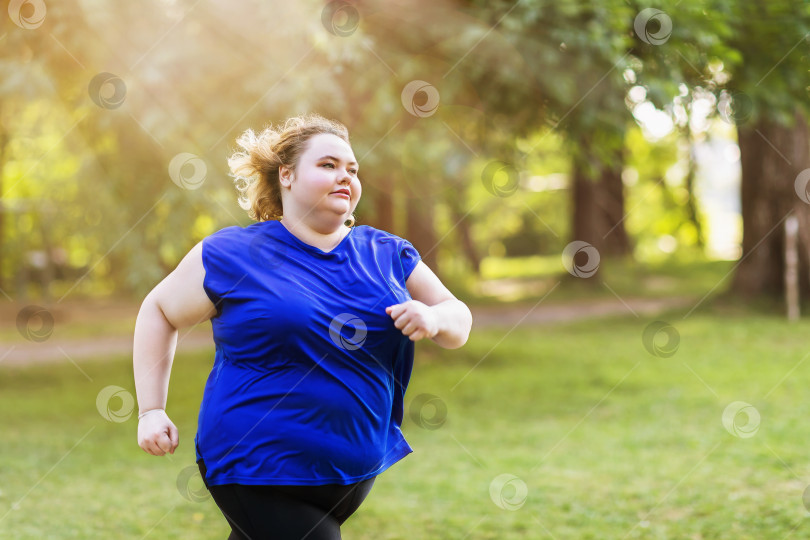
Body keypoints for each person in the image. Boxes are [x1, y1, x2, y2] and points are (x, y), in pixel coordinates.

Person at [132, 113, 473, 539]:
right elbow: (159, 311)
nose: (345, 176)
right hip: (257, 464)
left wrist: (434, 316)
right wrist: (151, 410)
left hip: (352, 470)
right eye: (328, 165)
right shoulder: (232, 254)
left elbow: (458, 318)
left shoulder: (386, 252)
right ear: (287, 175)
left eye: (352, 169)